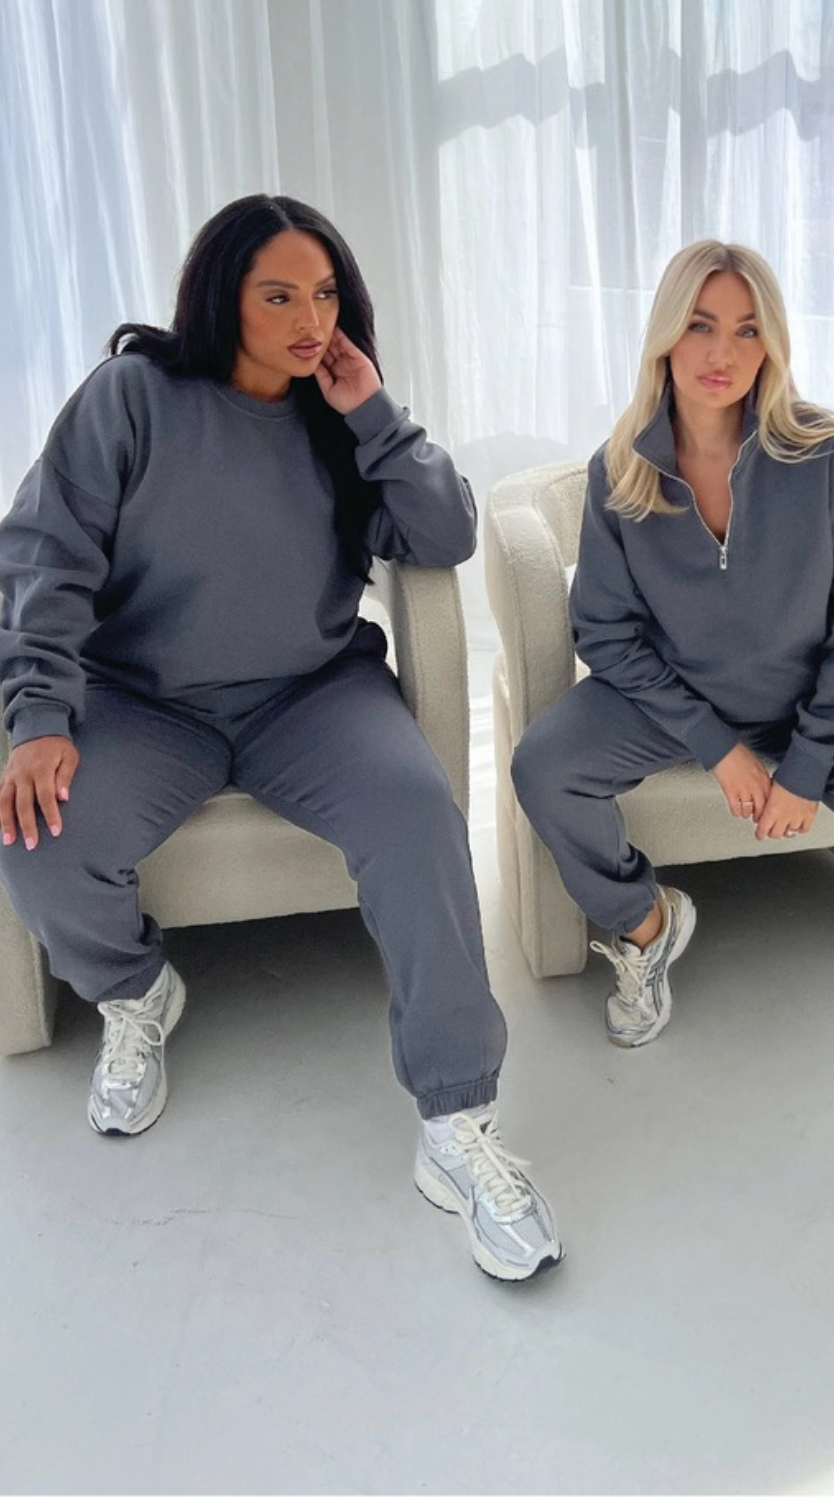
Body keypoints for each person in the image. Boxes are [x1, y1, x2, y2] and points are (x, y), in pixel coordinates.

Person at [0, 193, 561, 1283]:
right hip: (142, 701)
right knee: (41, 837)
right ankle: (135, 991)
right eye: (279, 297)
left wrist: (375, 414)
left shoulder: (339, 412)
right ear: (223, 297)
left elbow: (443, 533)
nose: (311, 321)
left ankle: (457, 1122)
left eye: (325, 294)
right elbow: (45, 555)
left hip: (312, 697)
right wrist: (38, 716)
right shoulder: (132, 396)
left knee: (418, 817)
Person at [512, 240, 834, 1277]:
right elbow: (606, 634)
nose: (722, 352)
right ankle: (645, 924)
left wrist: (808, 764)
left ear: (772, 344)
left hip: (826, 707)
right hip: (682, 705)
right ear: (666, 335)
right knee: (544, 765)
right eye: (700, 324)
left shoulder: (826, 456)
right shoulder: (621, 471)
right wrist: (718, 750)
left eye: (746, 329)